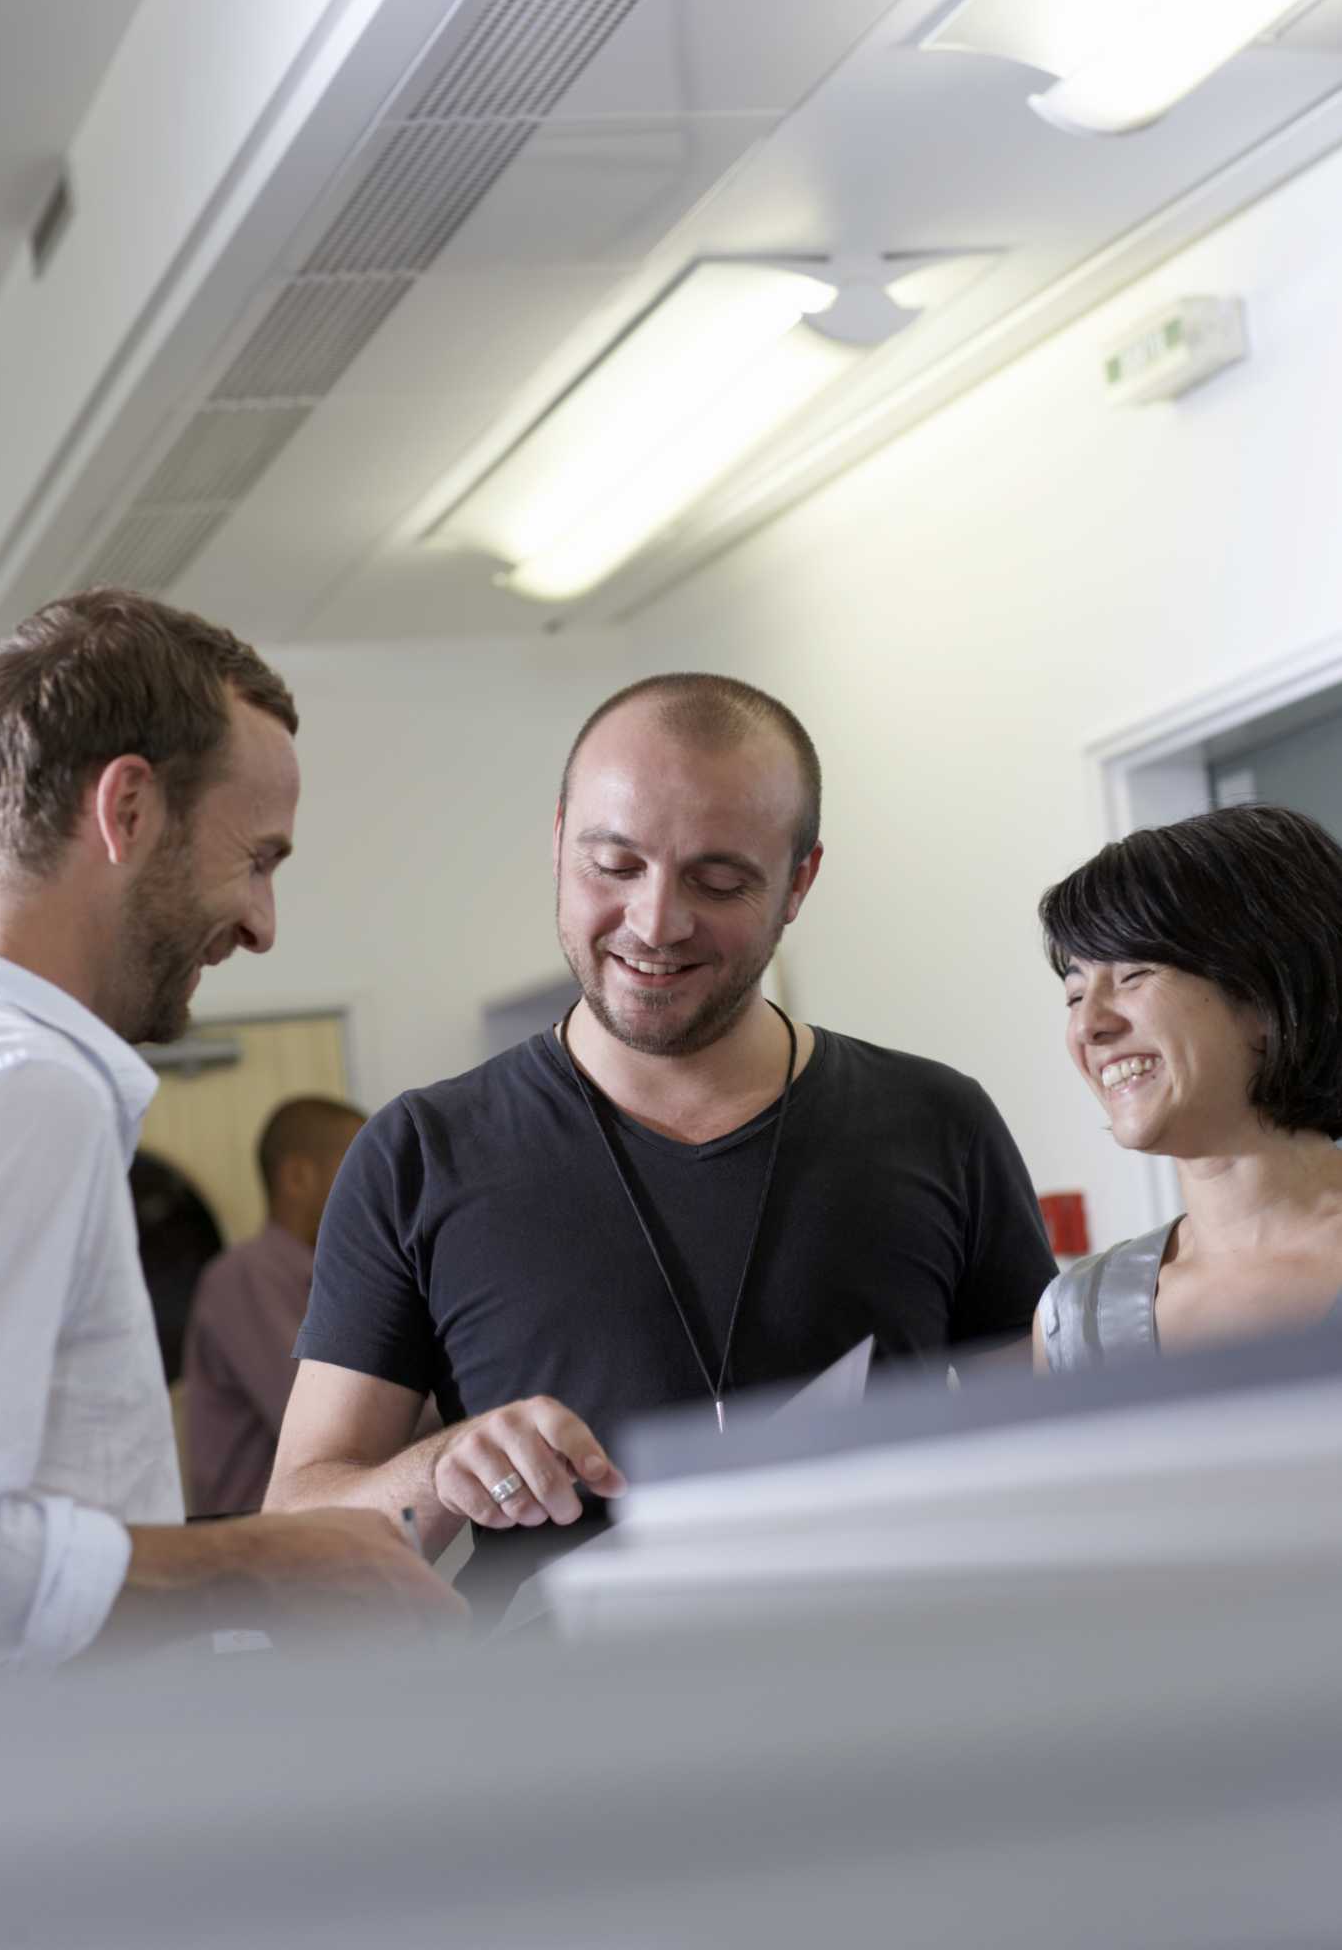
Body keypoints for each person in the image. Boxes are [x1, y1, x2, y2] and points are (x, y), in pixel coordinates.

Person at [268, 672, 1054, 1615]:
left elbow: (1040, 1455)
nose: (654, 923)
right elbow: (295, 1531)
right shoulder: (419, 1154)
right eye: (614, 866)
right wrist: (436, 1472)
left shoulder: (937, 1122)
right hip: (576, 1737)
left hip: (883, 1712)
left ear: (798, 882)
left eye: (718, 881)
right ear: (559, 841)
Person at [0, 588, 461, 1671]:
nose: (262, 923)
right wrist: (272, 1562)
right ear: (131, 808)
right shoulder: (27, 1092)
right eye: (257, 858)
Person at [1033, 804, 1342, 1373]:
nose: (1088, 1025)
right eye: (1075, 995)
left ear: (1265, 996)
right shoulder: (1075, 1320)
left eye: (1132, 975)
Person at [185, 1097, 366, 1516]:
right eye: (357, 1167)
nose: (374, 1186)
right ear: (298, 1176)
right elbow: (330, 1420)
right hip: (256, 1555)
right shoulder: (243, 1277)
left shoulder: (330, 1276)